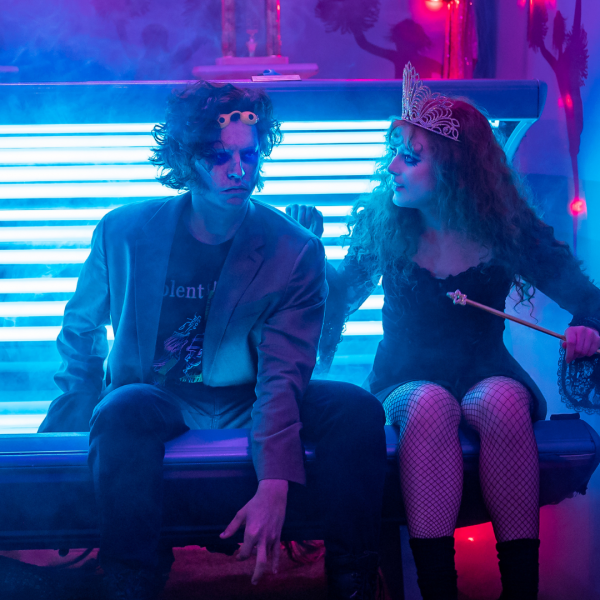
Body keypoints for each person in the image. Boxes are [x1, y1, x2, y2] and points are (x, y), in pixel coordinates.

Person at [38, 81, 387, 600]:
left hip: (249, 398)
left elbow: (283, 374)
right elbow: (80, 331)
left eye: (249, 155)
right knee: (121, 407)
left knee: (356, 410)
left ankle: (354, 578)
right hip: (156, 397)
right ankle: (130, 583)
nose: (239, 170)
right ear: (186, 159)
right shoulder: (124, 231)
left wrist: (274, 484)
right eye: (219, 156)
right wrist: (77, 408)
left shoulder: (293, 249)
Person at [286, 64, 600, 600]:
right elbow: (340, 296)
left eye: (410, 158)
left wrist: (587, 326)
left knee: (503, 400)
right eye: (395, 153)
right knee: (430, 402)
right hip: (404, 378)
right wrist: (305, 252)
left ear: (455, 170)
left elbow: (587, 298)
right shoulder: (384, 223)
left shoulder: (506, 229)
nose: (393, 167)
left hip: (486, 371)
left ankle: (521, 591)